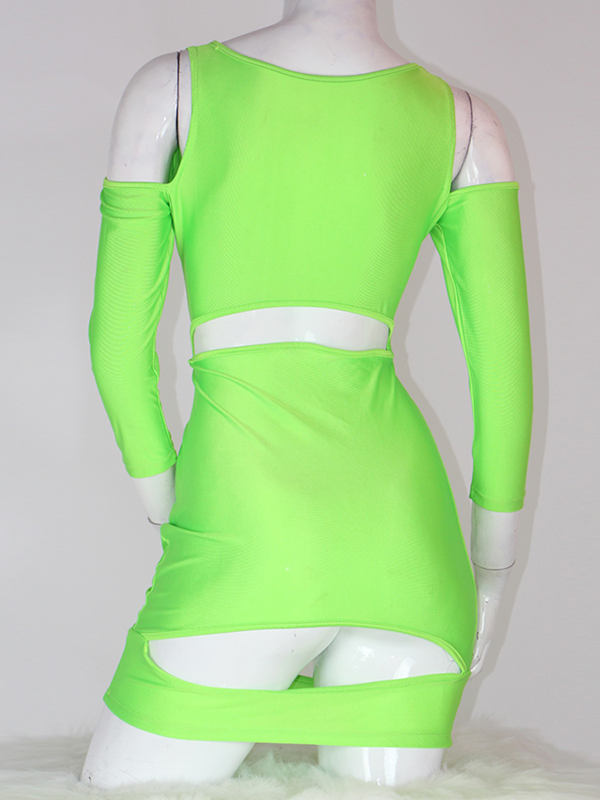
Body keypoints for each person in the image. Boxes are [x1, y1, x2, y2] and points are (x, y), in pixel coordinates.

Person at [82, 0, 533, 788]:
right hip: (414, 557)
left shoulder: (173, 89)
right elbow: (503, 375)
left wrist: (171, 510)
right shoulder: (466, 122)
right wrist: (491, 569)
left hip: (245, 530)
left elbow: (117, 346)